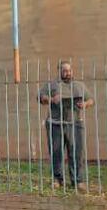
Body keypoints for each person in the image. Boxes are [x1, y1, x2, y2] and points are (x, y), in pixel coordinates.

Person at [38, 61, 94, 189]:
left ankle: (78, 181)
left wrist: (85, 104)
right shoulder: (52, 85)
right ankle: (57, 179)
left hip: (75, 123)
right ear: (59, 72)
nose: (68, 73)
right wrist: (52, 99)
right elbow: (40, 97)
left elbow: (91, 99)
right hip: (55, 124)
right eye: (65, 71)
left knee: (76, 152)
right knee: (56, 152)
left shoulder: (79, 85)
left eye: (69, 70)